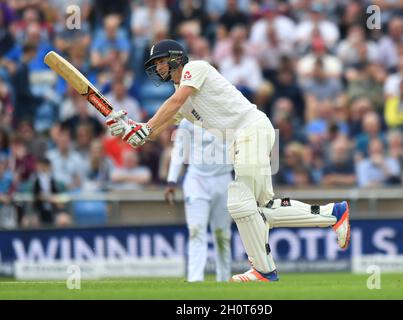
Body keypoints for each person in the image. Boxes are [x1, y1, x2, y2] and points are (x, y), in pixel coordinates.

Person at [105, 39, 350, 282]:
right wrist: (130, 129)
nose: (157, 68)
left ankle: (264, 270)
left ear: (175, 57)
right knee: (264, 208)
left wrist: (145, 128)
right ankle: (333, 214)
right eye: (154, 64)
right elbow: (159, 124)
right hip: (244, 138)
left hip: (250, 130)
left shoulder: (195, 69)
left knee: (239, 202)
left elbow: (173, 104)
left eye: (160, 61)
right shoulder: (180, 100)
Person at [165, 118, 232, 282]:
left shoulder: (229, 113)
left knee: (222, 234)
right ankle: (195, 279)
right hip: (197, 180)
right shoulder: (188, 120)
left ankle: (224, 278)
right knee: (196, 231)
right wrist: (172, 180)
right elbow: (179, 149)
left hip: (224, 180)